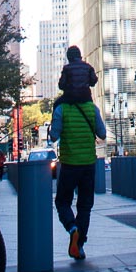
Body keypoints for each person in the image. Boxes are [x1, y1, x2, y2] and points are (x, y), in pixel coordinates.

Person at [49, 92, 105, 261]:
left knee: (62, 201)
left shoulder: (61, 109)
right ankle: (78, 246)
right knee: (85, 206)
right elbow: (102, 134)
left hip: (69, 164)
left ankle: (72, 228)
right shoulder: (92, 108)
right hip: (88, 164)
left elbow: (54, 136)